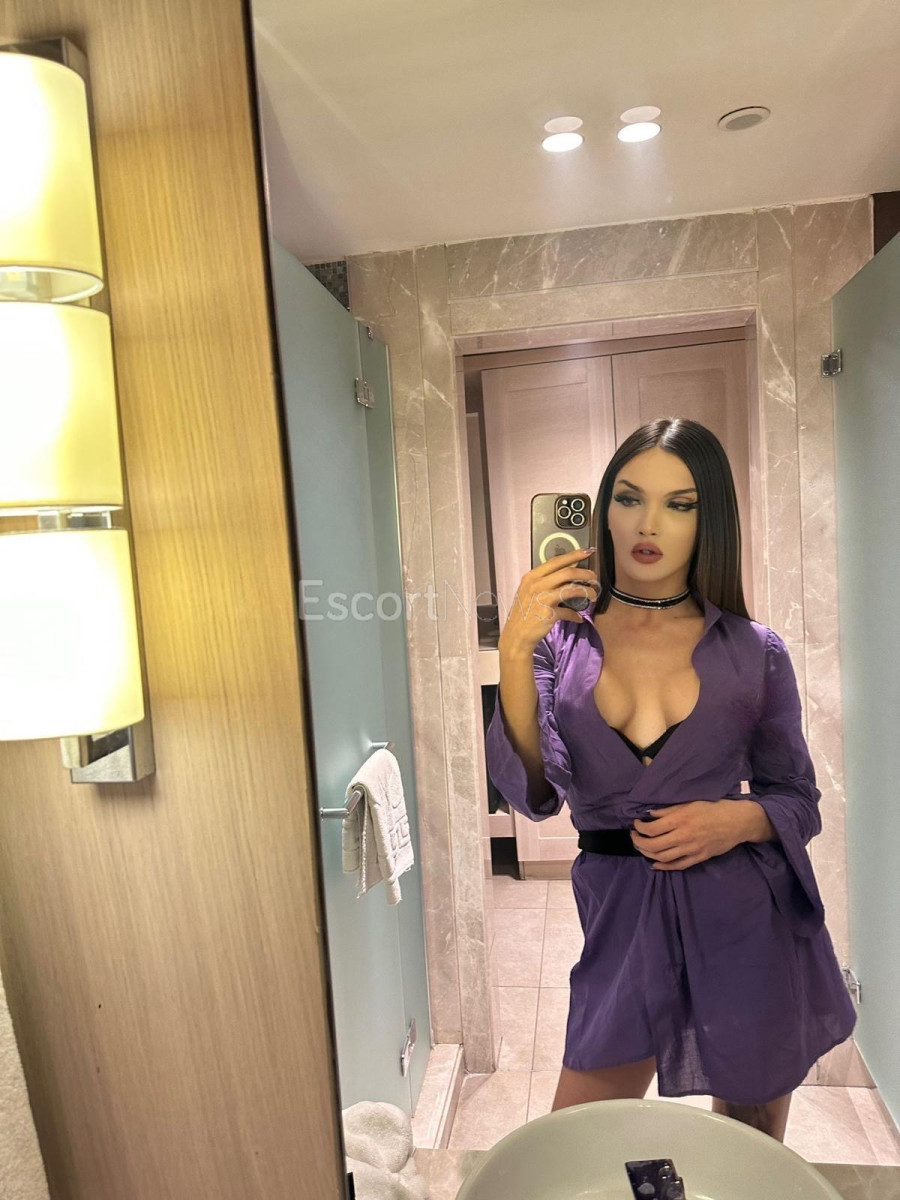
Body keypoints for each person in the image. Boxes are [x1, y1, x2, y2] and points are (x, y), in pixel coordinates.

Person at [484, 417, 856, 1144]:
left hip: (745, 918)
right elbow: (534, 791)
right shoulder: (558, 645)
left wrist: (736, 819)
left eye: (679, 504)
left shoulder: (754, 651)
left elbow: (797, 798)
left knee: (748, 1149)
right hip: (620, 918)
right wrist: (513, 653)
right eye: (629, 498)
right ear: (603, 512)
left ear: (707, 520)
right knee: (577, 1145)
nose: (648, 524)